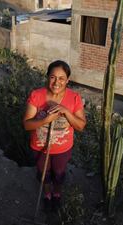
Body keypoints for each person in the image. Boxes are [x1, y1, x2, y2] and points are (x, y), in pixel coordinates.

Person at [23, 60, 86, 212]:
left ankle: (57, 194)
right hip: (39, 147)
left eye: (61, 78)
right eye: (53, 77)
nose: (56, 82)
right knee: (44, 174)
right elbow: (26, 125)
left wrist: (66, 111)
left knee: (58, 173)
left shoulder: (74, 98)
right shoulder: (36, 96)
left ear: (67, 80)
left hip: (62, 148)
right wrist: (45, 120)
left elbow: (80, 126)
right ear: (48, 77)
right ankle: (47, 195)